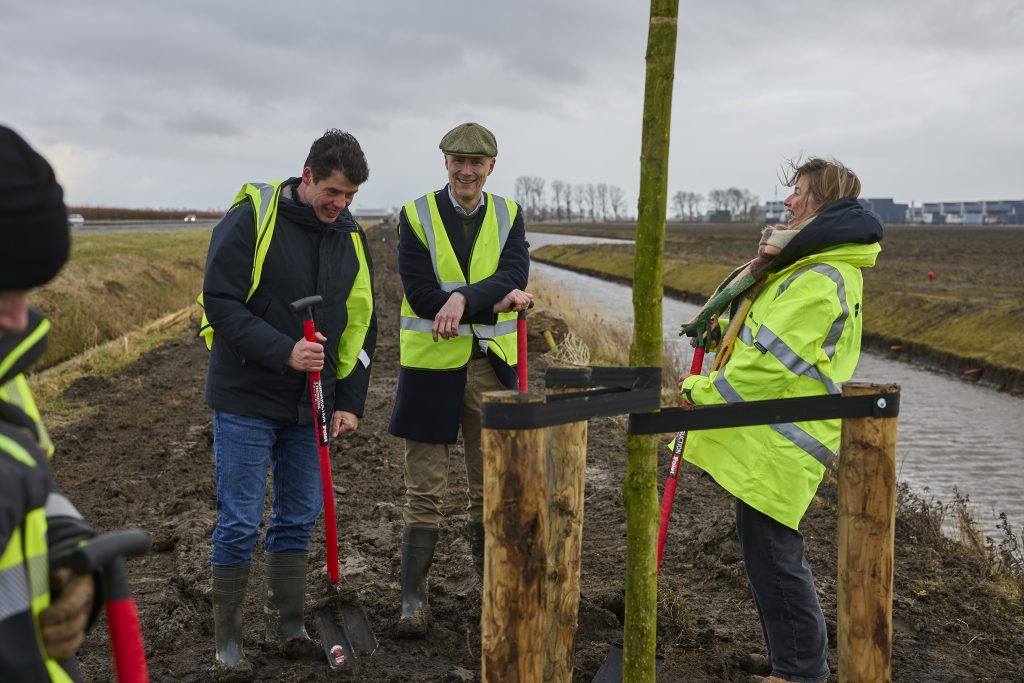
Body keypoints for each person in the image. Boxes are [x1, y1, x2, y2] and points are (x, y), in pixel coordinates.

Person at [680, 157, 883, 683]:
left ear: (821, 205)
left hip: (782, 439)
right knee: (765, 553)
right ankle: (790, 658)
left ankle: (799, 672)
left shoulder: (820, 276)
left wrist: (699, 390)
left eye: (798, 193)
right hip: (771, 434)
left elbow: (764, 370)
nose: (789, 201)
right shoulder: (810, 264)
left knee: (776, 557)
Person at [200, 129, 377, 671]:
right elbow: (220, 302)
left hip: (312, 404)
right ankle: (228, 641)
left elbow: (361, 326)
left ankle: (287, 623)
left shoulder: (349, 236)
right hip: (247, 394)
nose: (340, 205)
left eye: (349, 197)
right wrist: (285, 351)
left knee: (298, 514)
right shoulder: (255, 218)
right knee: (240, 519)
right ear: (307, 177)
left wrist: (349, 400)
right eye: (332, 192)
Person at [387, 122, 531, 637]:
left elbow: (515, 275)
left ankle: (491, 589)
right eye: (457, 160)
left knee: (489, 485)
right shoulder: (416, 215)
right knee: (424, 490)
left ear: (492, 167)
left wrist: (463, 298)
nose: (466, 170)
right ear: (444, 162)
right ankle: (412, 601)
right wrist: (485, 299)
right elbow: (421, 292)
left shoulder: (509, 214)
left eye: (477, 162)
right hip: (430, 368)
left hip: (491, 367)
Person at [0, 125, 100, 681]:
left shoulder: (4, 370)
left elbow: (42, 492)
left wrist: (71, 556)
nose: (18, 319)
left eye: (26, 288)